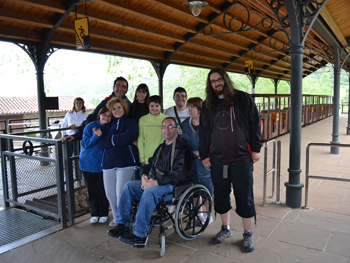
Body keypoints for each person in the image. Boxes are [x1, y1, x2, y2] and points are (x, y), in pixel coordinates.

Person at [198, 68, 261, 252]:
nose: (217, 83)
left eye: (219, 79)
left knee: (245, 196)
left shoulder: (242, 99)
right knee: (221, 195)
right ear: (210, 85)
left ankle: (248, 233)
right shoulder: (208, 104)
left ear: (226, 79)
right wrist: (204, 154)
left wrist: (256, 149)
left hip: (241, 158)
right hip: (218, 160)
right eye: (213, 81)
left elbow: (255, 124)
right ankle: (225, 228)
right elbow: (203, 132)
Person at [106, 117, 192, 248]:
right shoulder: (161, 147)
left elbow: (179, 174)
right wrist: (144, 177)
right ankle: (122, 224)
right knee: (129, 186)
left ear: (176, 129)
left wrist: (156, 183)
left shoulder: (183, 148)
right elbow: (149, 164)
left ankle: (140, 235)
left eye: (170, 126)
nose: (166, 130)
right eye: (164, 127)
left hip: (173, 186)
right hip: (154, 181)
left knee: (150, 192)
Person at [97, 98, 139, 228]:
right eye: (113, 108)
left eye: (119, 107)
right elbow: (100, 143)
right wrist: (119, 139)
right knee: (110, 194)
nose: (116, 110)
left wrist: (111, 140)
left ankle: (124, 221)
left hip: (126, 162)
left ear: (124, 108)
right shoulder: (107, 125)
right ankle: (117, 219)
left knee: (121, 193)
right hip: (108, 163)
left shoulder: (131, 122)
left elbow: (130, 136)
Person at [65, 76, 132, 142]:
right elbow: (91, 118)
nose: (120, 88)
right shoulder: (106, 103)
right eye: (118, 86)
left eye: (123, 86)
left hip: (123, 140)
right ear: (113, 88)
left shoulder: (130, 106)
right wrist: (77, 135)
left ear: (126, 90)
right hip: (106, 139)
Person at [181, 97, 214, 225]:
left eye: (192, 107)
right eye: (188, 107)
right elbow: (183, 143)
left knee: (207, 189)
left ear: (200, 109)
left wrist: (205, 153)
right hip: (191, 163)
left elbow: (215, 143)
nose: (189, 110)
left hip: (206, 162)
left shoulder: (208, 124)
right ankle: (198, 213)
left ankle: (208, 214)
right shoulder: (185, 124)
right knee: (194, 189)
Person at [79, 107, 111, 224]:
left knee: (102, 189)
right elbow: (85, 144)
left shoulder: (110, 127)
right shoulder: (90, 126)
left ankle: (104, 213)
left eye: (109, 116)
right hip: (88, 163)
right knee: (92, 189)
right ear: (99, 115)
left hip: (103, 164)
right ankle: (94, 213)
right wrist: (96, 135)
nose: (106, 118)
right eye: (104, 115)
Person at [138, 95, 168, 168]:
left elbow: (169, 139)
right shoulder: (142, 120)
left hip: (162, 159)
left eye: (157, 106)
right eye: (152, 106)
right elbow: (141, 139)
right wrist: (142, 158)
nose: (154, 108)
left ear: (160, 106)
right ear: (148, 106)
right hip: (147, 160)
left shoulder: (166, 119)